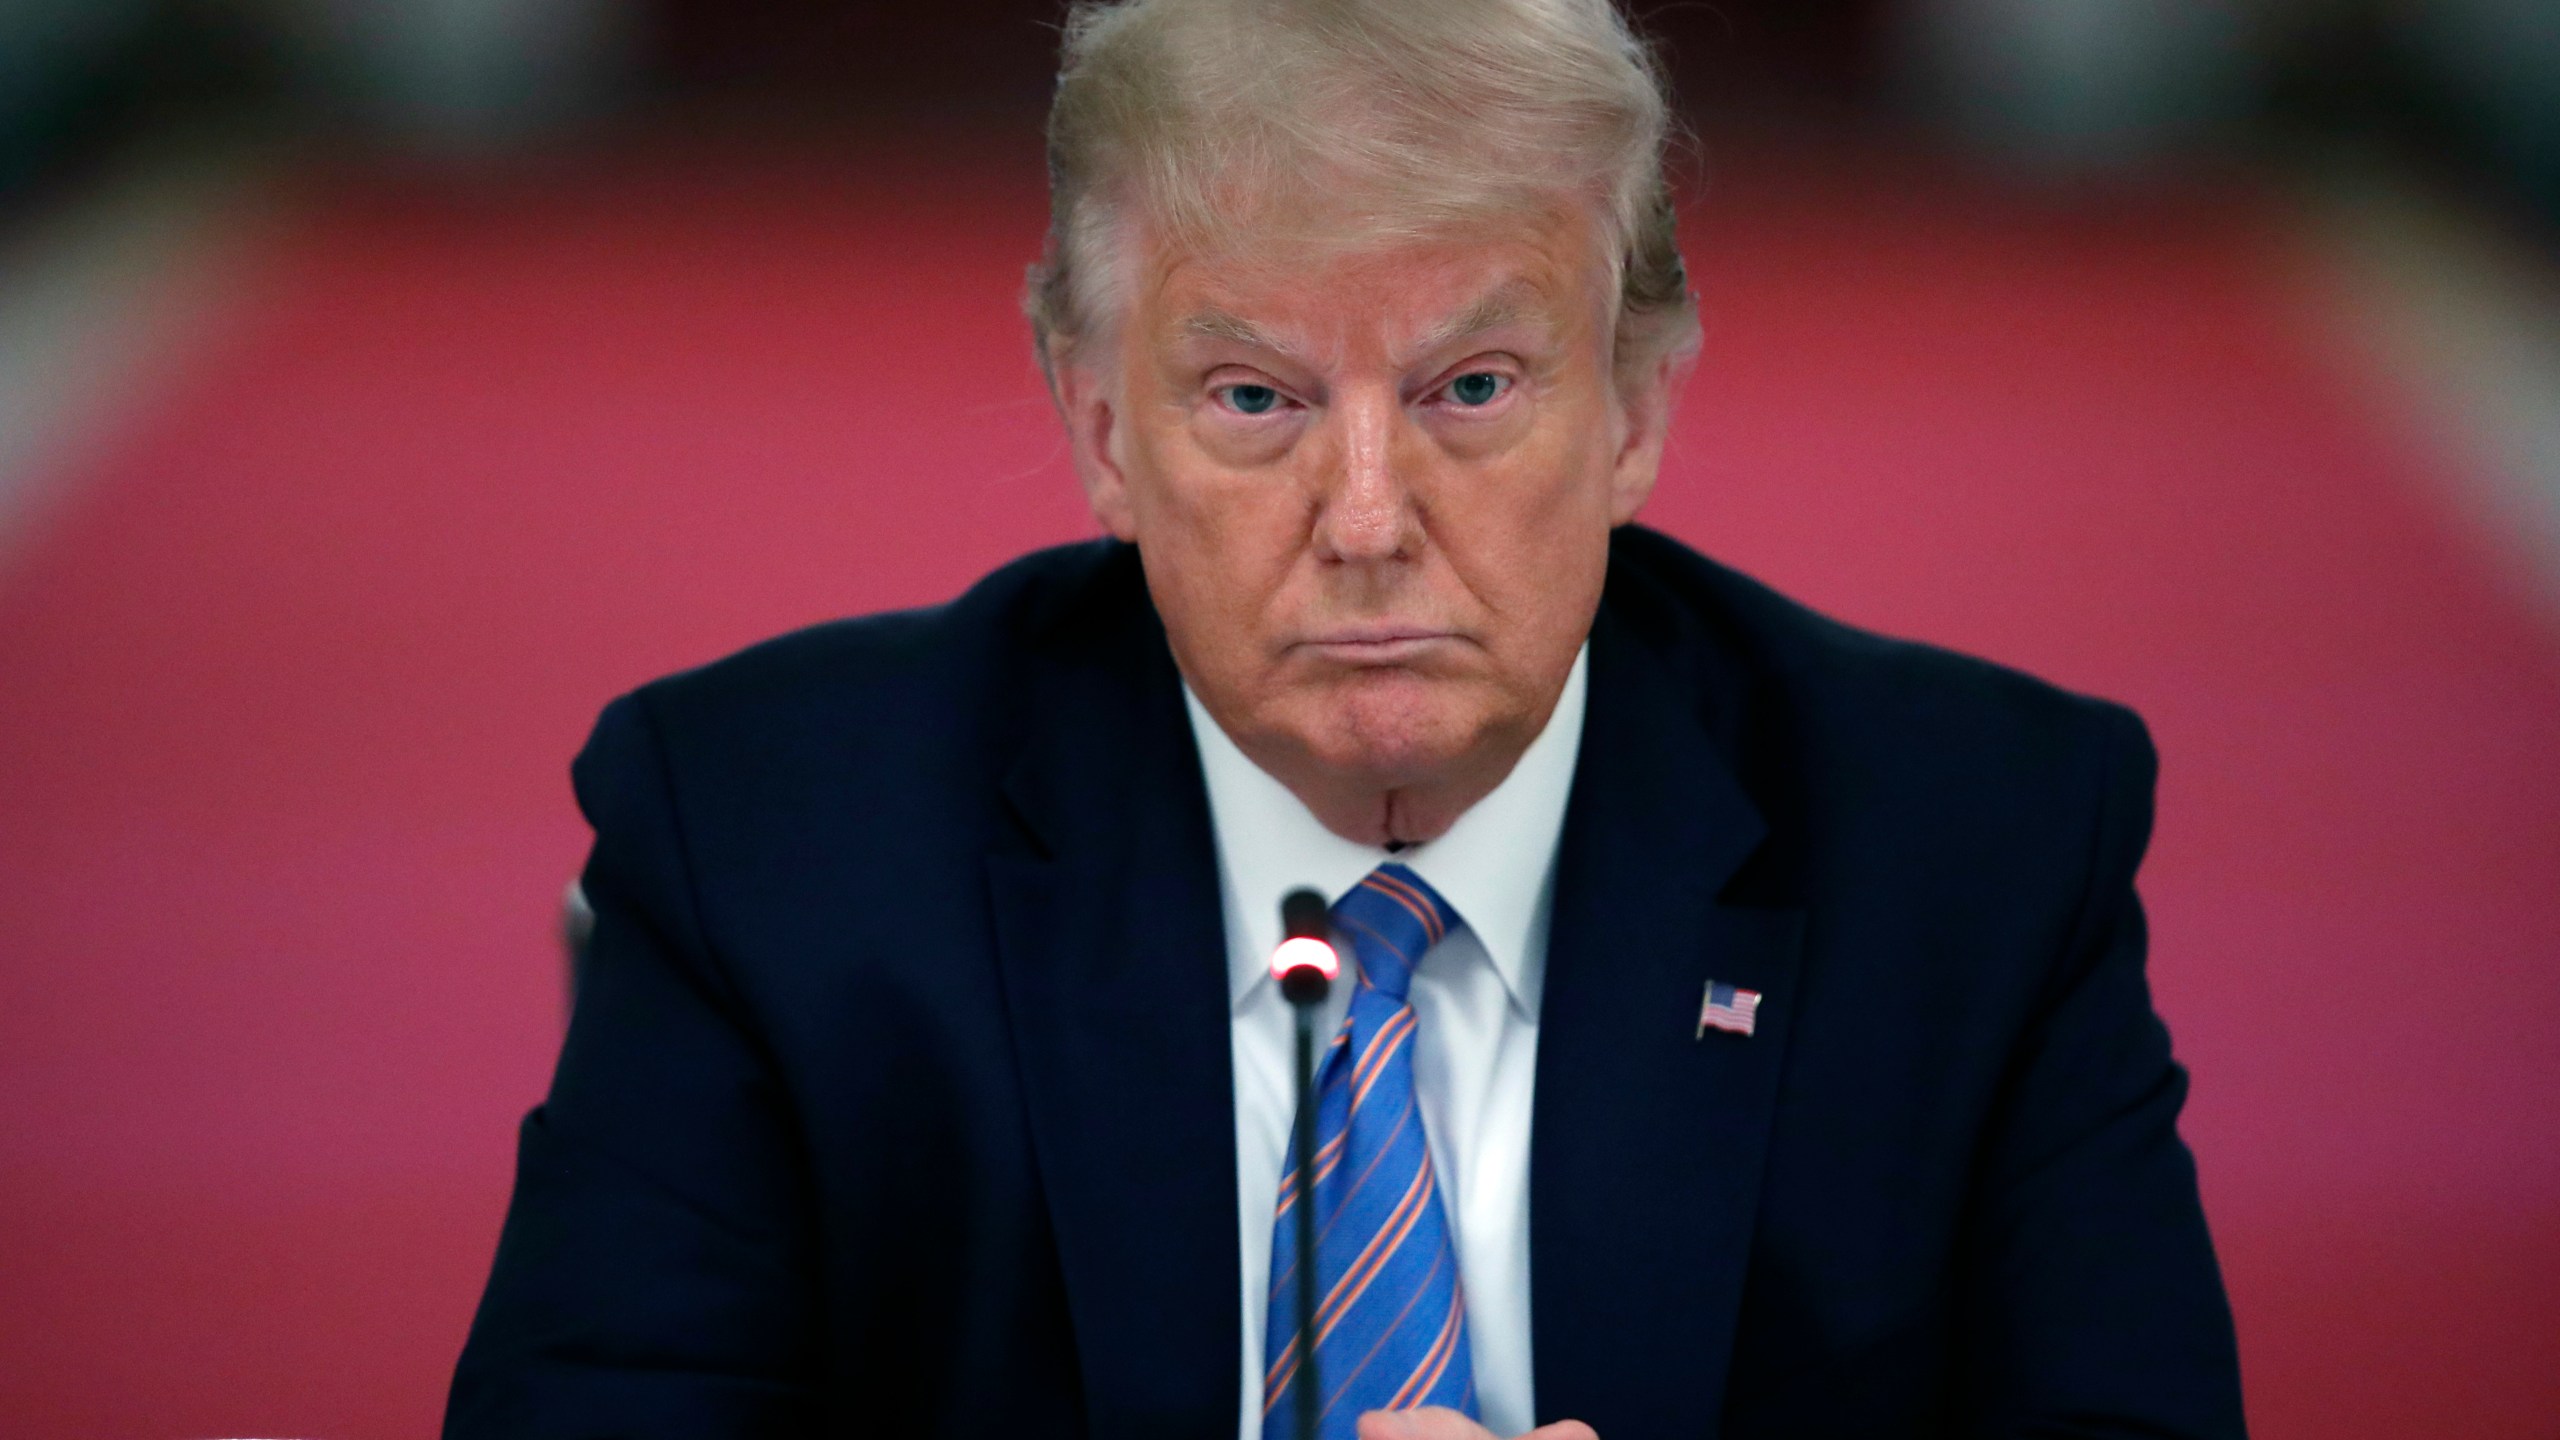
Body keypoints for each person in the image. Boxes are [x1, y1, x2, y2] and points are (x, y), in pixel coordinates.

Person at [445, 0, 2245, 1435]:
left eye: (1472, 385)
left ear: (1631, 412)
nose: (1369, 515)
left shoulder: (1983, 852)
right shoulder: (765, 848)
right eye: (1252, 395)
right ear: (1096, 427)